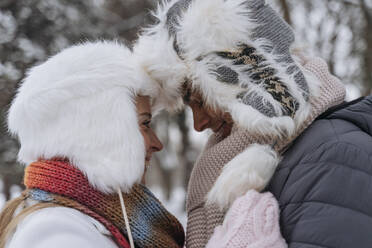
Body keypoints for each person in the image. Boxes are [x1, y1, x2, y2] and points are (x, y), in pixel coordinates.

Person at [134, 0, 372, 247]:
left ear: (245, 76)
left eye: (200, 100)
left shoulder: (334, 157)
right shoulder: (246, 158)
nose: (199, 123)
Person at [0, 41, 185, 248]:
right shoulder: (58, 234)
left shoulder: (86, 218)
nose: (157, 143)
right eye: (145, 124)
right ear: (98, 133)